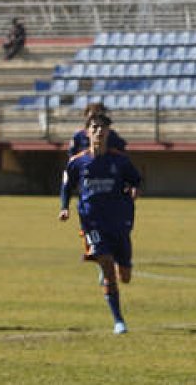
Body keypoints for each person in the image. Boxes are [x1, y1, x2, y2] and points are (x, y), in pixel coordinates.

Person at [58, 112, 142, 335]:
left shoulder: (120, 161)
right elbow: (67, 186)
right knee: (107, 266)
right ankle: (119, 321)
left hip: (118, 222)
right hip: (92, 222)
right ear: (87, 132)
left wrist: (134, 190)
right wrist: (64, 207)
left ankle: (114, 269)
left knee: (125, 276)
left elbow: (136, 180)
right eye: (94, 127)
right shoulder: (77, 162)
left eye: (102, 127)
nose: (98, 131)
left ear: (108, 132)